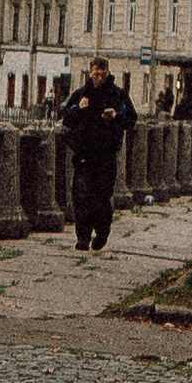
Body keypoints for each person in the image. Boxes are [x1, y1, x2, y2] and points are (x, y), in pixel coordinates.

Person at [59, 55, 136, 254]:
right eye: (95, 74)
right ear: (90, 72)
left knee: (102, 196)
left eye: (102, 74)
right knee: (81, 196)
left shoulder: (118, 95)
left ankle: (102, 232)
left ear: (107, 72)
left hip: (107, 154)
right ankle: (82, 237)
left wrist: (116, 116)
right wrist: (79, 109)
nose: (99, 78)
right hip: (84, 153)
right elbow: (66, 118)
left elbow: (132, 119)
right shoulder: (82, 94)